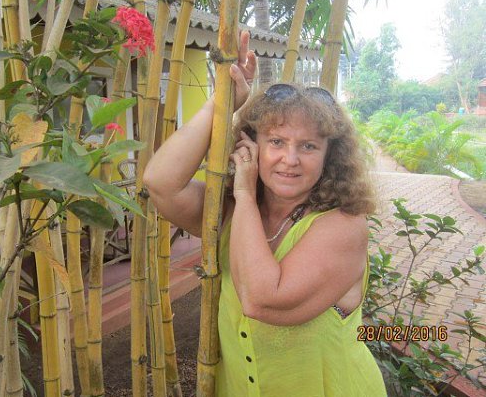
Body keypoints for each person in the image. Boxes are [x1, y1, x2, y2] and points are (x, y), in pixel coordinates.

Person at [143, 31, 387, 396]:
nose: (290, 159)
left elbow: (260, 298)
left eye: (308, 146)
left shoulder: (343, 225)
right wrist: (222, 104)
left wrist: (243, 192)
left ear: (329, 156)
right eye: (276, 141)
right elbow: (160, 183)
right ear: (251, 143)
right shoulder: (232, 214)